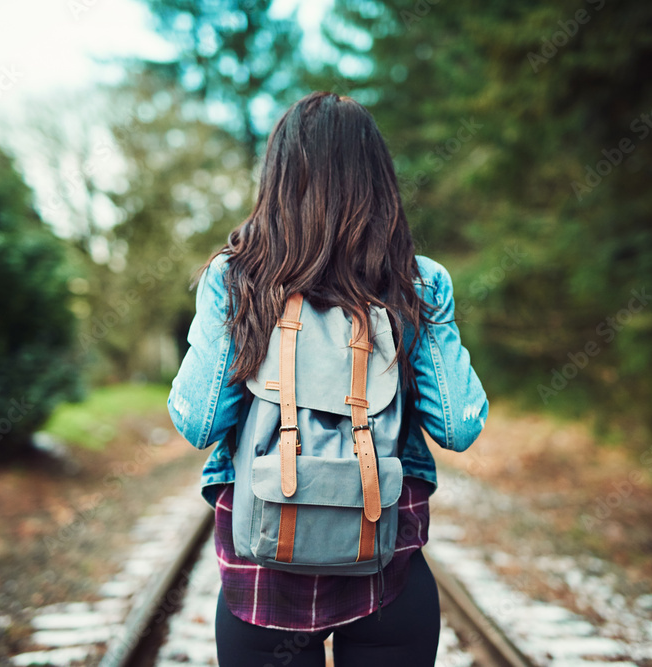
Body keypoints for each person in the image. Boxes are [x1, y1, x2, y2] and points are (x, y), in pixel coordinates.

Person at [168, 90, 488, 666]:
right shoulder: (417, 282)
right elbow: (459, 424)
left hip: (263, 570)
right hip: (385, 567)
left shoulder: (237, 278)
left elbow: (198, 420)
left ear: (279, 179)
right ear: (379, 180)